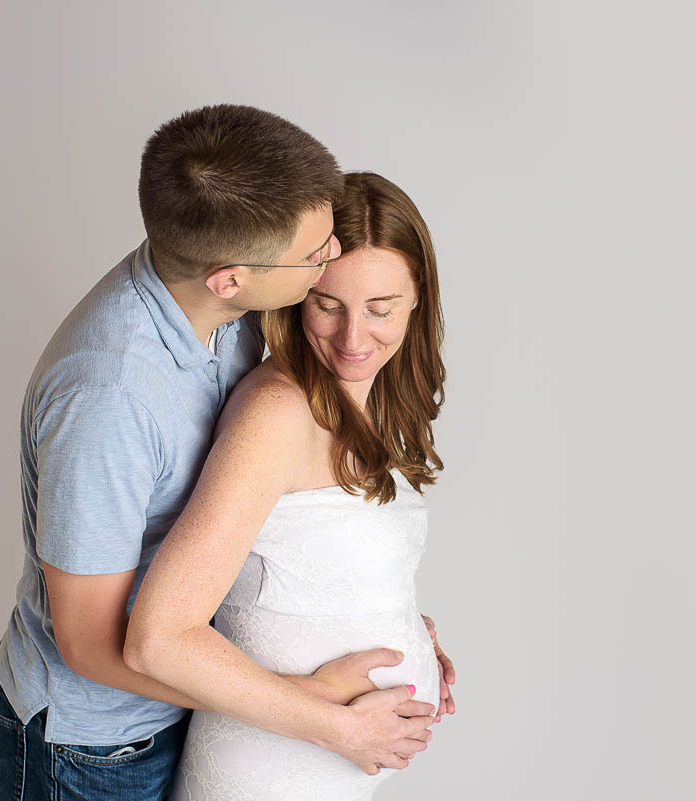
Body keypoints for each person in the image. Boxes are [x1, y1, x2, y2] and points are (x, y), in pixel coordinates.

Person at [0, 106, 453, 801]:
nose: (330, 256)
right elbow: (92, 644)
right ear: (230, 277)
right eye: (315, 260)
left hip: (191, 705)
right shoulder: (108, 397)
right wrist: (311, 707)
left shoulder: (227, 304)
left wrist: (392, 630)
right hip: (94, 745)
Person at [123, 171, 454, 800]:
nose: (352, 339)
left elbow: (309, 560)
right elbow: (159, 639)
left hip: (331, 766)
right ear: (297, 293)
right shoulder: (276, 414)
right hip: (271, 767)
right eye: (327, 305)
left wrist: (404, 629)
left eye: (380, 309)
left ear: (418, 299)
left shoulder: (368, 400)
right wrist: (342, 728)